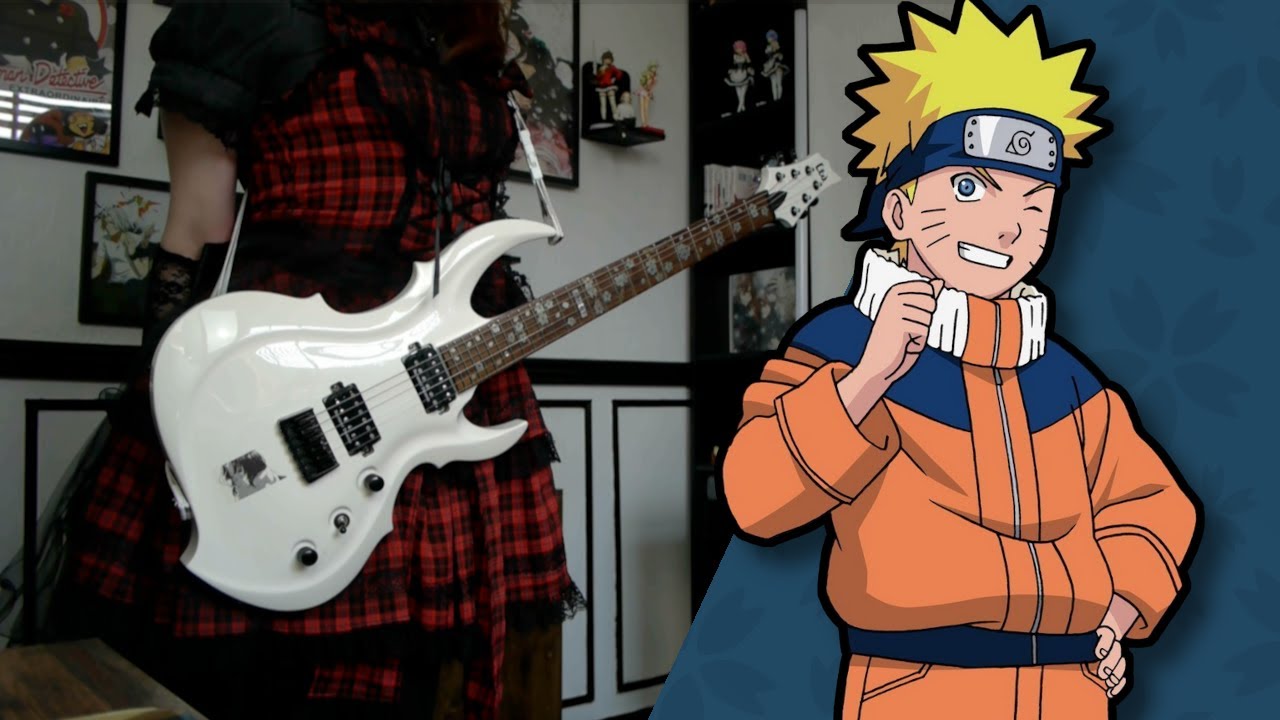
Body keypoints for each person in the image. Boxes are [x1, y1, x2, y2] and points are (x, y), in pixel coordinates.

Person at [42, 1, 586, 718]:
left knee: (434, 683)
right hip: (291, 400)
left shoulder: (465, 29)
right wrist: (181, 420)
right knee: (258, 675)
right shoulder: (248, 16)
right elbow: (197, 227)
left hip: (456, 408)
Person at [717, 1, 1200, 718]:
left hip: (1074, 691)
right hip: (915, 690)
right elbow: (754, 501)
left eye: (1036, 203)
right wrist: (865, 382)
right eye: (970, 188)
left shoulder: (1071, 381)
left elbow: (1152, 505)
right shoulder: (840, 346)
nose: (1008, 227)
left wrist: (1120, 611)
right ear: (900, 211)